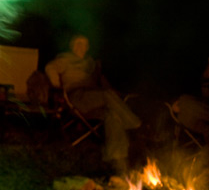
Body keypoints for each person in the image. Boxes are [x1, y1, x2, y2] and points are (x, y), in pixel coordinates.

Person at [45, 34, 141, 176]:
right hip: (76, 98)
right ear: (72, 46)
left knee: (112, 115)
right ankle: (135, 125)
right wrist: (58, 86)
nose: (80, 47)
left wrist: (114, 92)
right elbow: (49, 67)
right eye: (77, 43)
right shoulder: (65, 59)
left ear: (87, 47)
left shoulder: (90, 63)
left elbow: (102, 81)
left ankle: (115, 159)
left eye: (83, 44)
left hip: (92, 100)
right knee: (107, 95)